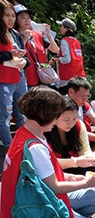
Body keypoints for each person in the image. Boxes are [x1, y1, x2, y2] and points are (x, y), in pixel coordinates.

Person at [0, 86, 95, 218]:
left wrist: (71, 177)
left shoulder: (25, 133)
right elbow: (54, 186)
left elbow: (44, 175)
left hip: (35, 199)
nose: (58, 120)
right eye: (57, 116)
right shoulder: (35, 146)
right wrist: (86, 183)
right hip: (40, 204)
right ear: (45, 115)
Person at [44, 96, 95, 218]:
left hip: (75, 175)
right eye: (66, 119)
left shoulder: (78, 126)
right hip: (54, 180)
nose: (70, 123)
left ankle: (72, 216)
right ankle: (64, 217)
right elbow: (47, 165)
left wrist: (94, 159)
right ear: (55, 117)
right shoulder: (44, 132)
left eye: (74, 118)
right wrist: (75, 161)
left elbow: (85, 151)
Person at [0, 0, 28, 147]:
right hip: (3, 79)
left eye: (13, 15)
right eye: (6, 15)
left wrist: (25, 61)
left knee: (23, 114)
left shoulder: (16, 34)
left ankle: (23, 146)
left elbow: (26, 57)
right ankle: (9, 150)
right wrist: (9, 55)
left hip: (20, 77)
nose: (11, 19)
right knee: (4, 117)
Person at [14, 4, 59, 87]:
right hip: (28, 78)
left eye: (28, 18)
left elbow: (55, 50)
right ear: (15, 19)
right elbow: (16, 54)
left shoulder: (38, 35)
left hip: (44, 76)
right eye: (23, 17)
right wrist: (24, 39)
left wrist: (49, 36)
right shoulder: (13, 35)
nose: (27, 20)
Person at [52, 17, 85, 94]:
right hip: (80, 76)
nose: (60, 28)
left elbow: (67, 59)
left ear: (66, 29)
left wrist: (56, 59)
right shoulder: (77, 42)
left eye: (61, 26)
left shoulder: (64, 41)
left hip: (67, 79)